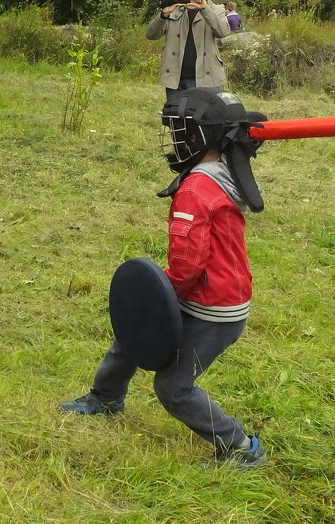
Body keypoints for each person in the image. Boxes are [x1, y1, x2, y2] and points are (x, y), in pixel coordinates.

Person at [60, 87, 269, 469]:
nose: (174, 139)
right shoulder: (222, 171)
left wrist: (158, 297)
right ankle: (106, 397)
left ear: (198, 137)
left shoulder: (196, 189)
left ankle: (241, 446)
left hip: (213, 309)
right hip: (212, 294)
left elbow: (188, 267)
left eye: (179, 131)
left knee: (173, 387)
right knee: (134, 331)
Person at [146, 0, 230, 99]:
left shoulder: (217, 10)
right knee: (176, 116)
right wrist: (164, 14)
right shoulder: (173, 9)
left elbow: (223, 32)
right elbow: (151, 34)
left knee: (204, 117)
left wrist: (204, 9)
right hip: (175, 78)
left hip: (206, 77)